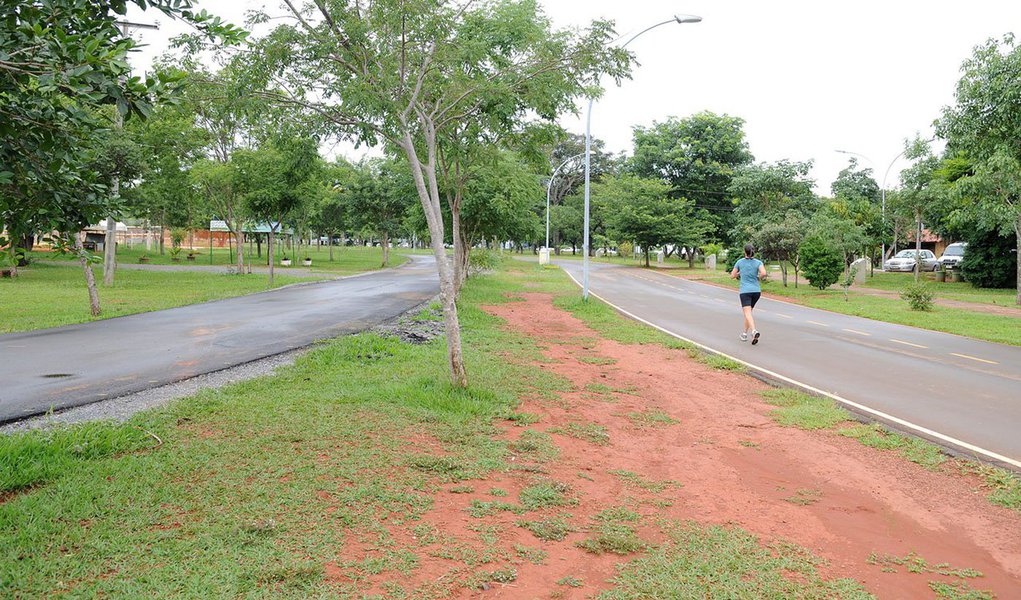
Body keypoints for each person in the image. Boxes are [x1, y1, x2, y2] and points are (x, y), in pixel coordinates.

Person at [730, 243, 767, 345]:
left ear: (744, 252)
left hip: (745, 291)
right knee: (749, 312)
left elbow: (732, 276)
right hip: (756, 291)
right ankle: (744, 334)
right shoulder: (758, 262)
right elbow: (764, 273)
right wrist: (758, 278)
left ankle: (754, 331)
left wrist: (739, 273)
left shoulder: (740, 262)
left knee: (747, 313)